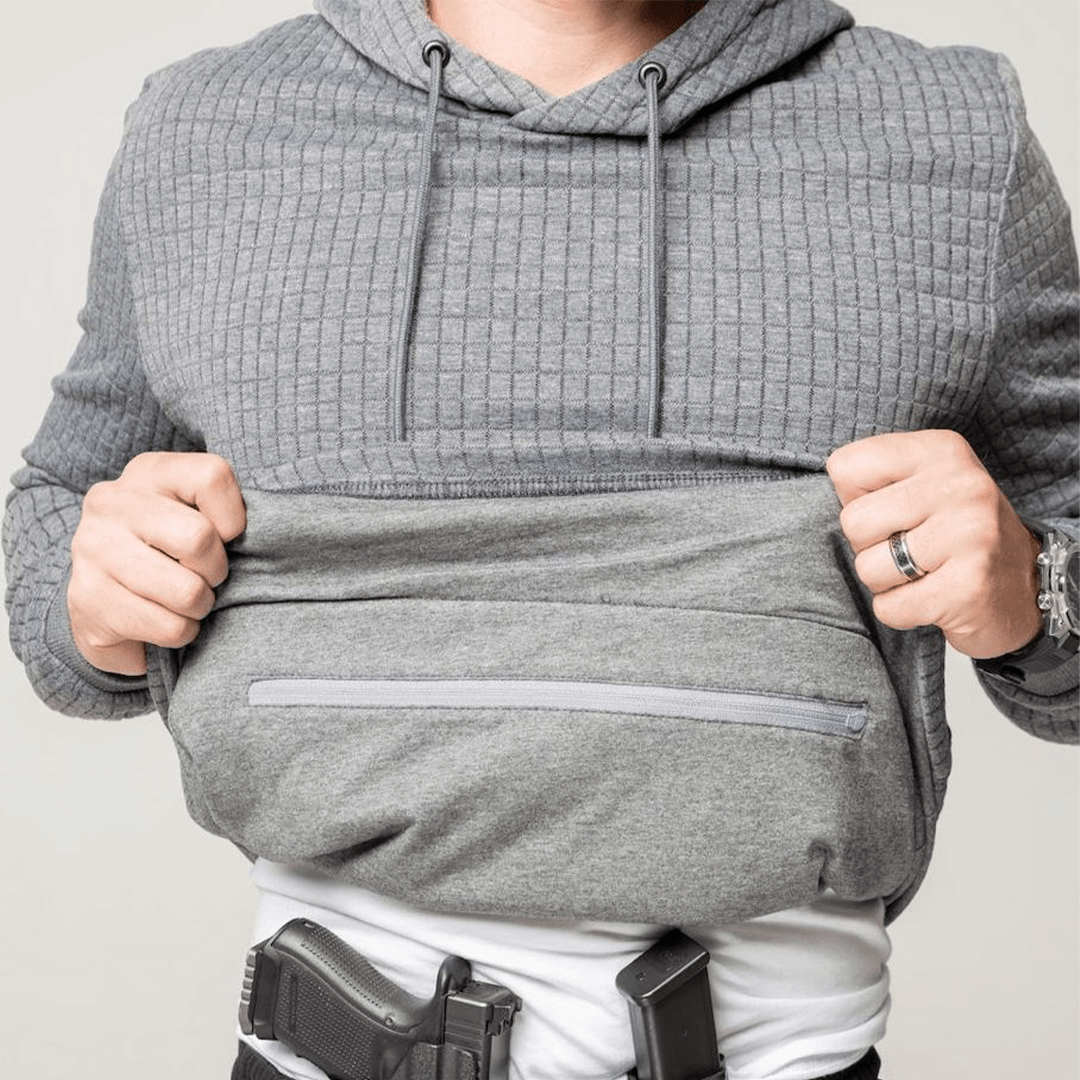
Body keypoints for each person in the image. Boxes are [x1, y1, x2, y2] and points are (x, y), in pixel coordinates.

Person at [4, 1, 1077, 1078]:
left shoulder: (953, 130)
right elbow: (56, 517)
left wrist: (1035, 590)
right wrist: (92, 598)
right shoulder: (205, 126)